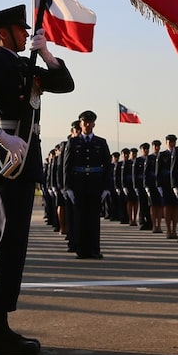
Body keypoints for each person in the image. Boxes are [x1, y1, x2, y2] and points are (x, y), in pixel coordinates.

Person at [0, 4, 74, 355]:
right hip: (10, 158)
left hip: (26, 157)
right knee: (8, 240)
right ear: (3, 32)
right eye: (21, 30)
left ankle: (0, 324)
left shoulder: (22, 63)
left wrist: (47, 55)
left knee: (15, 239)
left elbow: (65, 85)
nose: (26, 34)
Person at [63, 110, 109, 258]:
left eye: (90, 122)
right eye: (84, 122)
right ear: (80, 124)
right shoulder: (73, 142)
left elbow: (107, 166)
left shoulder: (101, 143)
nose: (87, 125)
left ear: (94, 124)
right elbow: (67, 166)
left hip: (95, 185)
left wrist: (106, 188)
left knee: (94, 219)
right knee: (80, 218)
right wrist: (67, 187)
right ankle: (81, 250)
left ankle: (94, 250)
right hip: (78, 185)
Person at [156, 134, 178, 239]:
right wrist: (158, 185)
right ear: (166, 143)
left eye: (173, 141)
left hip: (176, 184)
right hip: (165, 184)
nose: (171, 143)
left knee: (176, 207)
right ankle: (168, 230)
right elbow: (158, 171)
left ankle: (174, 230)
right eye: (169, 141)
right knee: (168, 207)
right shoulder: (162, 155)